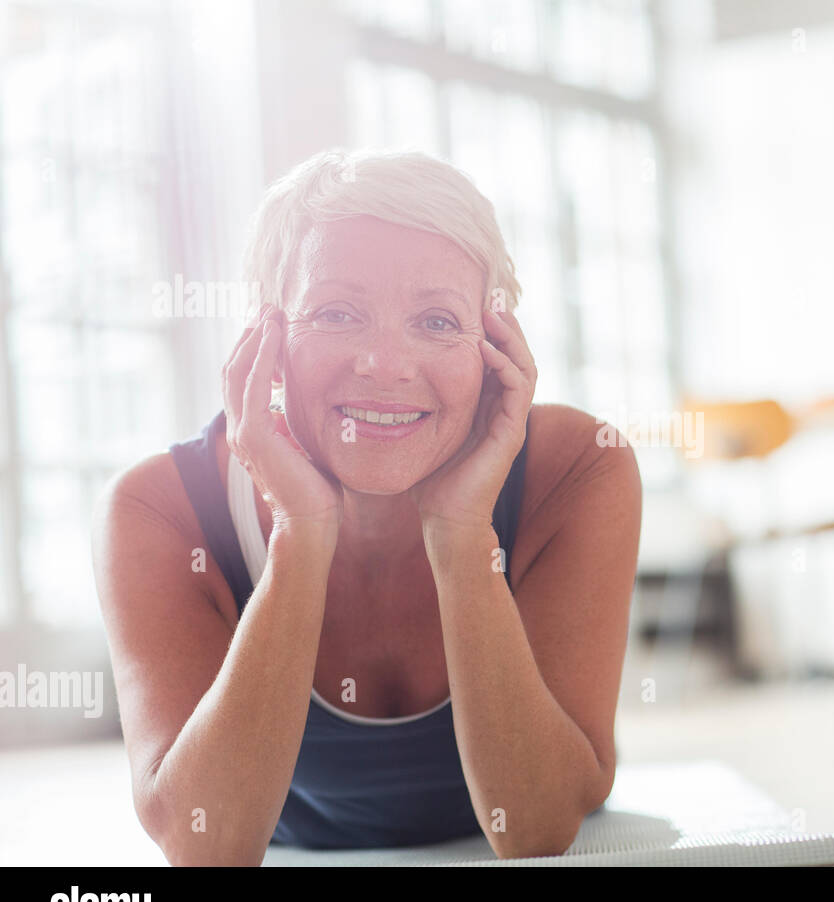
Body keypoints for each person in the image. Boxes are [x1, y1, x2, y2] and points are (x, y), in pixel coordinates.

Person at [90, 148, 642, 865]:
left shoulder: (576, 468)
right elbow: (208, 844)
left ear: (495, 344)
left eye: (438, 322)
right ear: (267, 338)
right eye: (338, 312)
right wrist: (299, 534)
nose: (385, 364)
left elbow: (535, 832)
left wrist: (463, 532)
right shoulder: (160, 510)